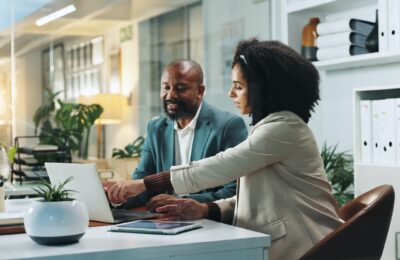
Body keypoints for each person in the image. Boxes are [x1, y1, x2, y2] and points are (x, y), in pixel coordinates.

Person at [106, 40, 343, 260]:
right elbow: (252, 200)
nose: (231, 94)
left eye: (238, 87)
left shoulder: (285, 128)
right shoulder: (271, 126)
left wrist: (144, 184)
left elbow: (219, 166)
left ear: (263, 89)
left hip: (309, 247)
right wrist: (205, 208)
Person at [119, 59, 248, 208]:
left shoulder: (228, 126)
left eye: (180, 88)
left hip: (208, 222)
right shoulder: (156, 128)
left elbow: (235, 189)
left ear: (200, 91)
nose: (170, 95)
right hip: (163, 221)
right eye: (166, 87)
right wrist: (117, 198)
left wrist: (187, 203)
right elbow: (142, 182)